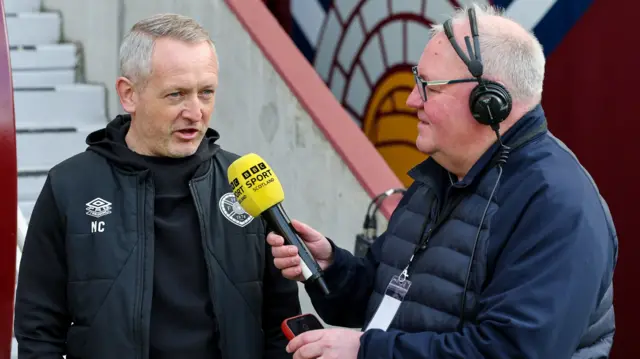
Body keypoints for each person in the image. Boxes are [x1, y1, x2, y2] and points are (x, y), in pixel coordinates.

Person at [267, 4, 618, 359]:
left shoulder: (557, 205)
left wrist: (366, 352)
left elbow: (512, 351)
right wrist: (332, 268)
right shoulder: (439, 174)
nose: (411, 99)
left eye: (428, 87)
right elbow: (388, 299)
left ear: (489, 102)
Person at [14, 13, 301, 359]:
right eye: (176, 94)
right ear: (128, 94)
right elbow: (37, 328)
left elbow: (283, 322)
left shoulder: (245, 185)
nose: (195, 111)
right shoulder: (70, 187)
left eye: (206, 92)